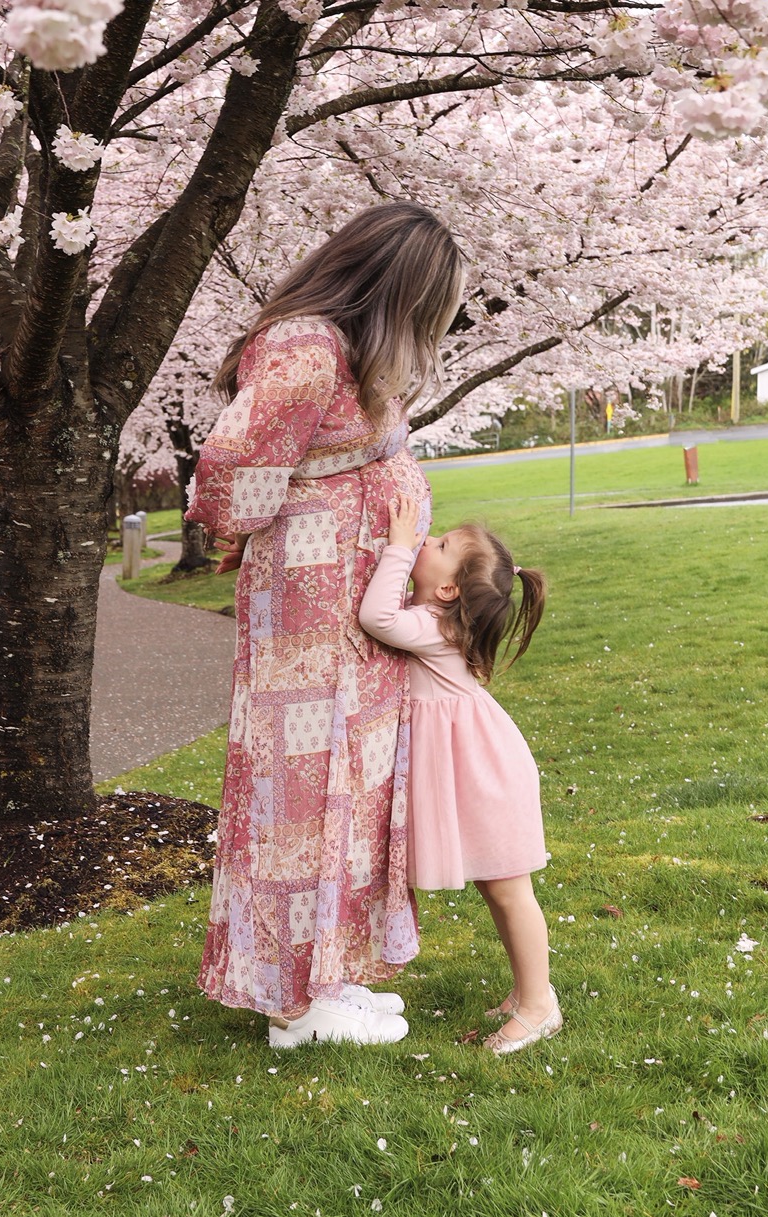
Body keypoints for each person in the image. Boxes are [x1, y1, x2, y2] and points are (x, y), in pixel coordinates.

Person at [185, 203, 465, 1048]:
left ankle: (328, 971)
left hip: (348, 605)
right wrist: (264, 533)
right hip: (310, 610)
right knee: (298, 791)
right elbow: (229, 476)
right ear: (392, 286)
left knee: (351, 779)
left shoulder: (348, 349)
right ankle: (292, 1004)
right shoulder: (308, 348)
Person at [358, 495, 562, 1054]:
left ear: (448, 590)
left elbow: (374, 616)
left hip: (484, 772)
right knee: (499, 890)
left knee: (509, 889)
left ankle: (540, 1006)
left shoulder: (430, 625)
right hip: (477, 766)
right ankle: (528, 990)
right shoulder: (435, 620)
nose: (427, 540)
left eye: (440, 545)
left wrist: (399, 547)